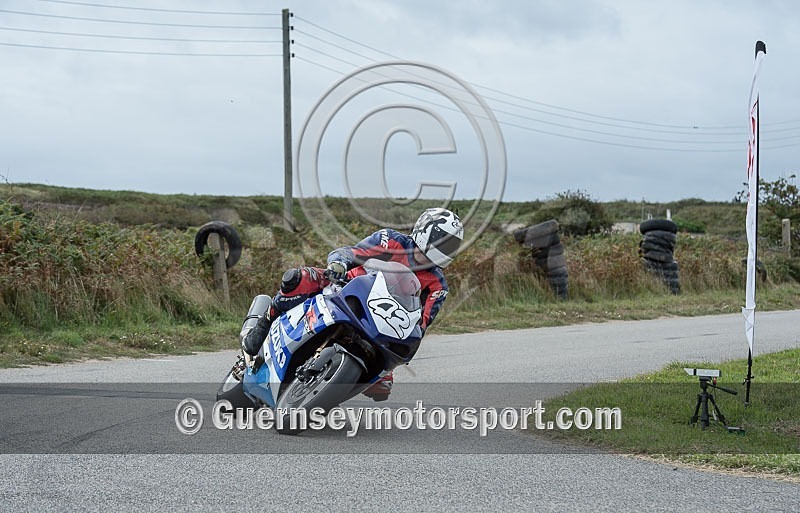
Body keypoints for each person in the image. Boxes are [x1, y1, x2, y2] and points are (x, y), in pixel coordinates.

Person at [242, 207, 464, 401]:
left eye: (451, 245)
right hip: (347, 288)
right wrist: (339, 263)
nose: (446, 248)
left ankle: (324, 393)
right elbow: (354, 252)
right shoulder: (391, 241)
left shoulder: (438, 285)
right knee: (297, 279)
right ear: (425, 231)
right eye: (443, 240)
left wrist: (407, 343)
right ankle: (264, 324)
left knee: (381, 387)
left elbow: (422, 323)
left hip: (383, 323)